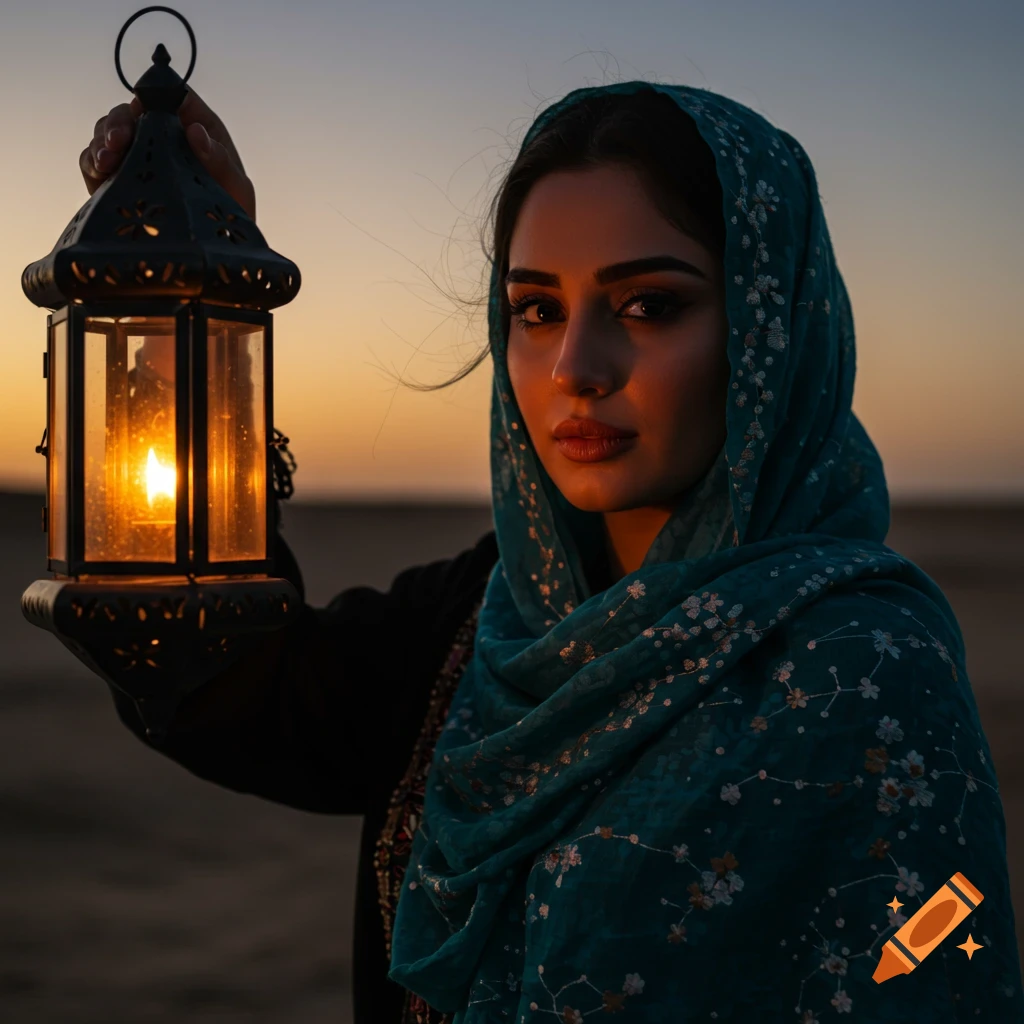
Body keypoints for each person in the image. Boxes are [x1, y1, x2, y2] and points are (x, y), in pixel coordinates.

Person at [80, 80, 1024, 1023]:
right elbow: (229, 687)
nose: (576, 366)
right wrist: (184, 324)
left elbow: (933, 970)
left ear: (770, 333)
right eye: (536, 311)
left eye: (649, 305)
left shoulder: (864, 676)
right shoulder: (486, 620)